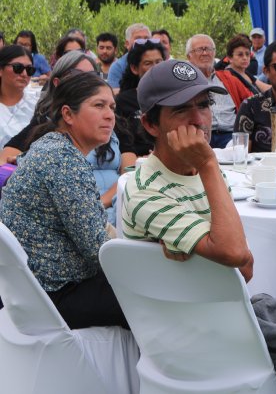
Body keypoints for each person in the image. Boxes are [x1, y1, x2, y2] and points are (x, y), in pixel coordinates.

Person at [122, 59, 276, 393]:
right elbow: (237, 252)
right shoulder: (146, 190)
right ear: (151, 125)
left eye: (204, 105)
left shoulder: (199, 173)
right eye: (181, 110)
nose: (199, 120)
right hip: (192, 322)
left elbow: (245, 266)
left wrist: (217, 250)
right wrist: (210, 164)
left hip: (231, 301)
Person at [0, 72, 128, 330]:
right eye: (98, 106)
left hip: (33, 289)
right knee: (155, 297)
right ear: (68, 114)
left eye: (111, 107)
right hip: (54, 294)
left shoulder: (52, 145)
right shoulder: (62, 159)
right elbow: (98, 252)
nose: (109, 115)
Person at [185, 34, 236, 149]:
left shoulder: (228, 78)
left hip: (231, 136)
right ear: (189, 56)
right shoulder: (183, 81)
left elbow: (248, 101)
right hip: (199, 135)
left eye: (208, 49)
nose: (205, 53)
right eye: (199, 50)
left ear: (214, 53)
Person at [116, 39, 165, 156]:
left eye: (159, 62)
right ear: (134, 68)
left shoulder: (176, 96)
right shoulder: (122, 101)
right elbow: (122, 143)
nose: (155, 68)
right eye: (148, 63)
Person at [214, 34, 271, 113]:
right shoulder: (228, 77)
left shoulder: (245, 73)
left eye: (247, 54)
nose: (245, 58)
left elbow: (267, 88)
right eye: (240, 54)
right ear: (230, 58)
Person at [0, 45, 39, 147]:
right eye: (18, 67)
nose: (24, 74)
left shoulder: (38, 106)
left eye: (29, 69)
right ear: (1, 70)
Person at [107, 23, 151, 90]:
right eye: (138, 39)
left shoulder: (158, 61)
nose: (143, 42)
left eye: (146, 38)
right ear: (127, 44)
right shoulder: (118, 67)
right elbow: (113, 92)